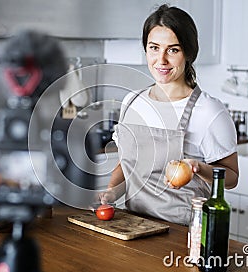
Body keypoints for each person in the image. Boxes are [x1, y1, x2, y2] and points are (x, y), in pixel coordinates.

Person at [99, 5, 238, 225]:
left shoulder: (210, 111)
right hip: (132, 227)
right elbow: (127, 165)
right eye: (154, 48)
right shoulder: (132, 102)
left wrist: (199, 168)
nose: (161, 60)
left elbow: (231, 178)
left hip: (183, 233)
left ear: (189, 53)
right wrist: (111, 193)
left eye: (173, 50)